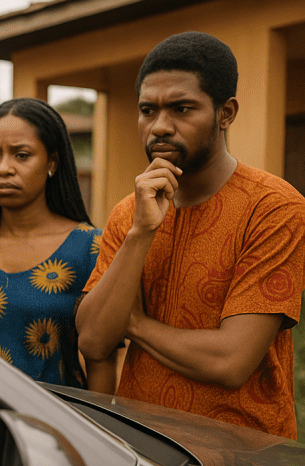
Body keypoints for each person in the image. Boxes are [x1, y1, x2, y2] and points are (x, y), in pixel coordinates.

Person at [76, 32, 305, 438]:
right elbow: (94, 342)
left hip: (243, 464)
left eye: (182, 108)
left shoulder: (272, 207)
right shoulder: (130, 213)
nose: (160, 126)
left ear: (225, 113)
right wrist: (140, 233)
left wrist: (136, 325)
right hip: (140, 451)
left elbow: (231, 361)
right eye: (148, 110)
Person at [0, 98, 115, 391]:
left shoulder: (91, 248)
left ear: (52, 162)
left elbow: (101, 361)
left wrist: (97, 434)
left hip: (61, 423)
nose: (4, 168)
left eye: (21, 155)